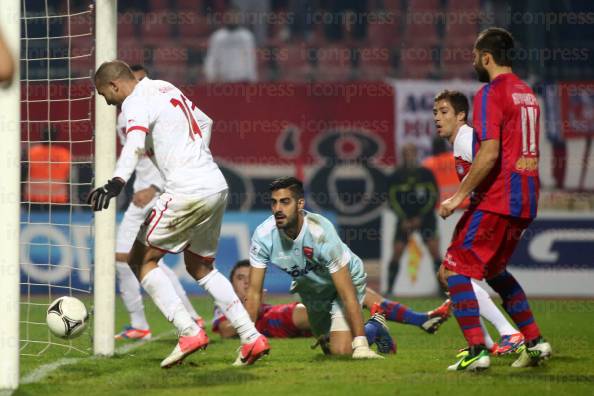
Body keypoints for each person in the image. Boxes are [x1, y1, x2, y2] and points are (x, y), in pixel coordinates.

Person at [88, 60, 268, 368]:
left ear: (115, 85)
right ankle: (251, 337)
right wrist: (196, 158)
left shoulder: (133, 102)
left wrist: (117, 181)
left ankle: (188, 331)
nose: (105, 101)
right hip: (214, 184)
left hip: (185, 189)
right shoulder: (165, 88)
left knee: (139, 259)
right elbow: (206, 121)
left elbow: (133, 141)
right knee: (201, 266)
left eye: (104, 94)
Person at [438, 28, 551, 371]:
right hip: (528, 197)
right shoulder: (527, 93)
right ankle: (534, 342)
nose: (474, 62)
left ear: (486, 57)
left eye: (475, 56)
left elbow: (488, 154)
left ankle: (477, 349)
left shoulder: (490, 92)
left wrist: (458, 196)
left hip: (501, 197)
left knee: (454, 267)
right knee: (496, 270)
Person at [245, 177, 396, 359]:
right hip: (312, 291)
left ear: (300, 204)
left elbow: (347, 292)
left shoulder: (320, 233)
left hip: (342, 282)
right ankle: (358, 333)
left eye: (285, 202)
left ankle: (374, 328)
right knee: (328, 349)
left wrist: (361, 344)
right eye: (274, 203)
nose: (278, 209)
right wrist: (248, 342)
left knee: (343, 352)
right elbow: (254, 292)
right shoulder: (263, 236)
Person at [112, 64, 204, 340]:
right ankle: (189, 318)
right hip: (144, 194)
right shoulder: (124, 118)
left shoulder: (158, 108)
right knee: (144, 261)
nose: (139, 89)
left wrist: (154, 187)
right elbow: (139, 155)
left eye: (142, 81)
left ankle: (145, 324)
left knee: (132, 258)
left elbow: (169, 153)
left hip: (161, 193)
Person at [433, 89, 525, 356]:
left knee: (453, 272)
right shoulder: (463, 141)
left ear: (461, 114)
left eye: (444, 112)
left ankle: (508, 334)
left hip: (495, 211)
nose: (438, 118)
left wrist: (457, 199)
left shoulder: (466, 139)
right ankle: (489, 342)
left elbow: (492, 168)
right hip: (498, 210)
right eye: (435, 113)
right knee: (455, 273)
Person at [214, 260, 451, 339]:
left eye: (250, 278)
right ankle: (376, 329)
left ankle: (419, 319)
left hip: (284, 314)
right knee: (341, 334)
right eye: (240, 278)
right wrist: (247, 309)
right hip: (279, 320)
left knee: (359, 295)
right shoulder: (226, 304)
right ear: (230, 283)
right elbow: (225, 330)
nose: (246, 282)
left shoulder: (260, 302)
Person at [386, 144, 441, 294]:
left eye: (411, 152)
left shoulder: (426, 173)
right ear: (402, 155)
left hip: (426, 218)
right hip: (404, 220)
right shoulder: (395, 176)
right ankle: (390, 289)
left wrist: (421, 217)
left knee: (434, 251)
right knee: (397, 252)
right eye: (406, 153)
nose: (409, 156)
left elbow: (433, 196)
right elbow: (391, 200)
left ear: (417, 154)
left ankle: (443, 290)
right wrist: (403, 218)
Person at [204, 7, 257, 82]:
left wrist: (252, 77)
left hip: (242, 79)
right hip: (222, 79)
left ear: (239, 18)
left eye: (235, 16)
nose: (232, 19)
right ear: (225, 18)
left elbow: (250, 57)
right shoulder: (217, 36)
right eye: (230, 16)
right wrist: (211, 75)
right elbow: (212, 57)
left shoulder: (246, 36)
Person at [25, 126, 71, 208]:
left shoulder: (31, 153)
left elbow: (22, 176)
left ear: (42, 136)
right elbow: (69, 178)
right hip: (58, 200)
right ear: (56, 137)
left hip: (34, 200)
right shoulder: (65, 154)